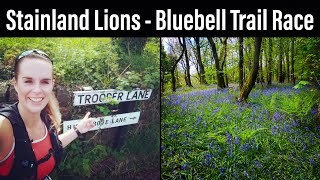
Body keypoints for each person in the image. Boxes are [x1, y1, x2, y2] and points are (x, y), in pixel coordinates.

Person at [0, 49, 95, 180]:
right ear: (15, 84)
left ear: (52, 85)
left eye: (45, 82)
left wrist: (78, 129)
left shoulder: (47, 116)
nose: (37, 90)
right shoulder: (4, 126)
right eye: (28, 81)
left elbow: (50, 146)